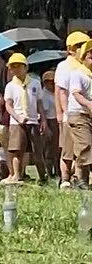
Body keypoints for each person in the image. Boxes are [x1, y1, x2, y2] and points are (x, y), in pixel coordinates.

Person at [2, 52, 46, 184]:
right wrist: (17, 117)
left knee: (37, 150)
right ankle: (17, 175)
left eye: (19, 66)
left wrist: (43, 120)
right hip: (17, 122)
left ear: (26, 67)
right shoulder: (10, 86)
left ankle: (43, 176)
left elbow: (39, 103)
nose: (16, 69)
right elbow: (8, 106)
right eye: (13, 66)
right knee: (17, 150)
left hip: (33, 120)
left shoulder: (35, 83)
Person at [56, 32, 90, 189]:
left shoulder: (85, 68)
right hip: (71, 113)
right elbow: (61, 91)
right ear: (70, 49)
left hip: (83, 114)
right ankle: (65, 179)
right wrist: (62, 112)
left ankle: (78, 178)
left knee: (80, 149)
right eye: (78, 46)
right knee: (68, 150)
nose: (80, 49)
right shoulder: (65, 66)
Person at [64, 41, 92, 188]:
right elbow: (76, 93)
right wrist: (88, 104)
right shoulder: (78, 74)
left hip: (89, 115)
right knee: (85, 145)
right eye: (90, 55)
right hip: (78, 114)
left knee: (85, 147)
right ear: (83, 57)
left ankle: (81, 179)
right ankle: (81, 180)